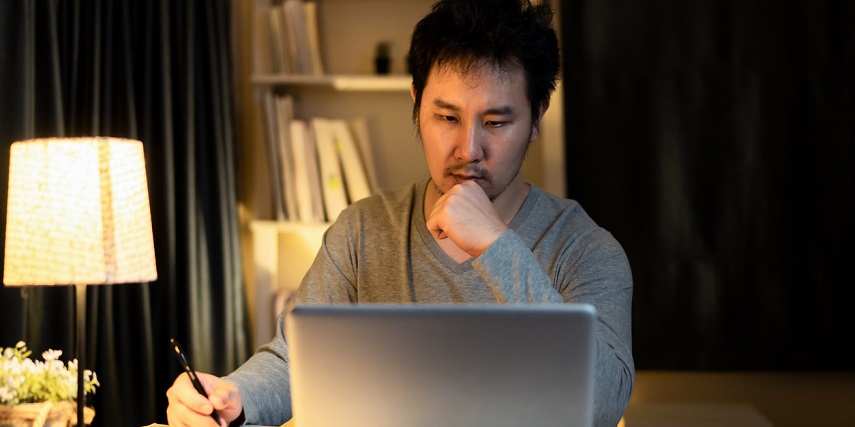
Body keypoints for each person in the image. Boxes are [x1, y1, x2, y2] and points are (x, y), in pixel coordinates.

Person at [166, 0, 634, 426]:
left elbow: (604, 403)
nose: (468, 149)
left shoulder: (585, 250)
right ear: (416, 104)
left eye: (496, 122)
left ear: (537, 117)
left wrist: (495, 245)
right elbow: (294, 362)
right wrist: (231, 396)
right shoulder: (361, 231)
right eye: (447, 118)